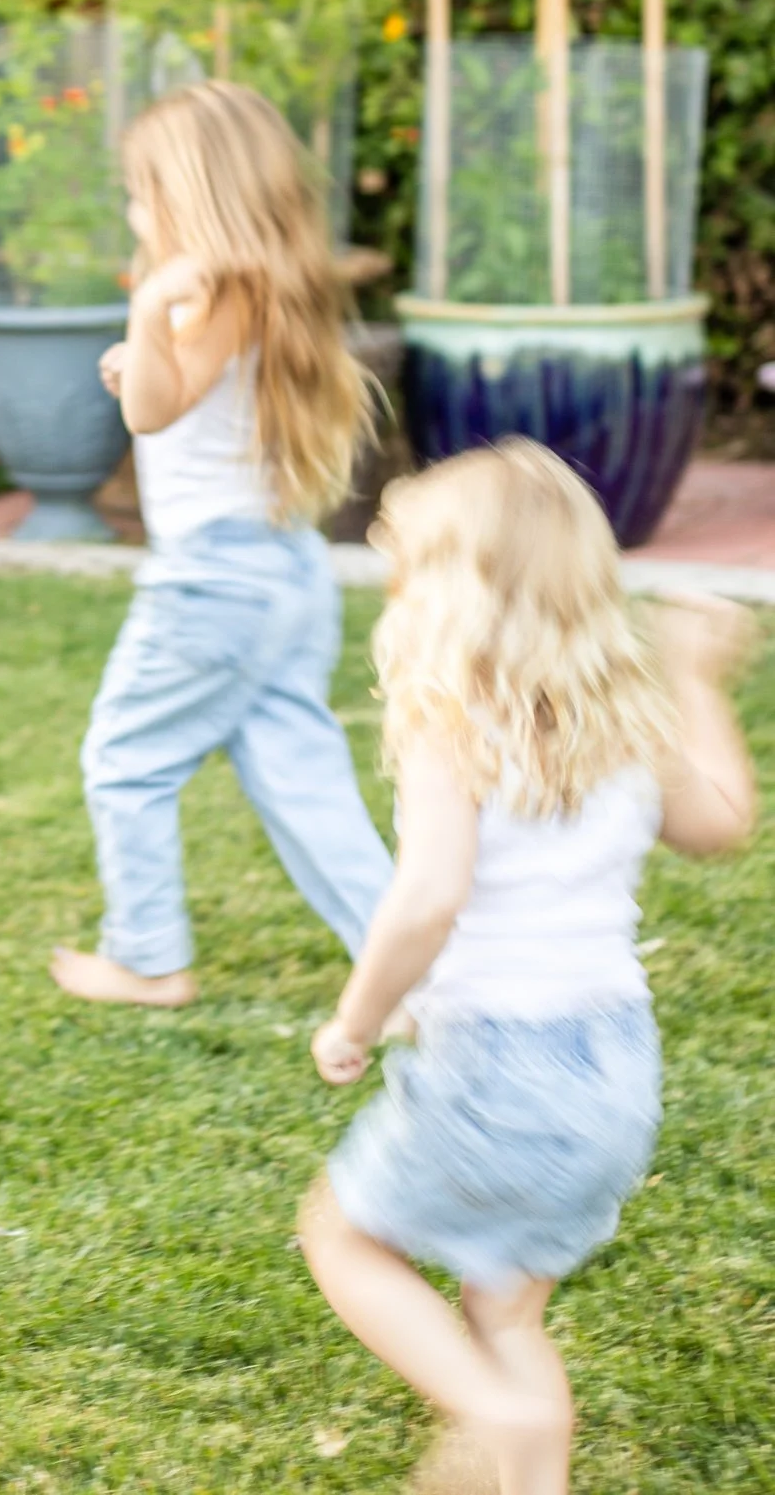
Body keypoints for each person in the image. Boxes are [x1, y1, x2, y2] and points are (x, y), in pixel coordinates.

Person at [299, 441, 757, 1495]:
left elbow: (428, 895)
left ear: (448, 595)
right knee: (504, 1309)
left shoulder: (449, 722)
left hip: (495, 1065)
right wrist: (691, 680)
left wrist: (355, 1020)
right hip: (614, 1072)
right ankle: (523, 1460)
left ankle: (489, 1408)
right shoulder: (624, 719)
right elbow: (719, 822)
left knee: (344, 1239)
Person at [52, 80, 393, 1008]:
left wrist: (146, 319)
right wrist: (150, 351)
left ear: (190, 196)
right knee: (302, 780)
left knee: (125, 759)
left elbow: (155, 412)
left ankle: (148, 957)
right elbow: (183, 394)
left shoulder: (204, 289)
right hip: (282, 566)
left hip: (212, 580)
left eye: (139, 189)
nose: (131, 208)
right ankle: (407, 971)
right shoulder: (261, 291)